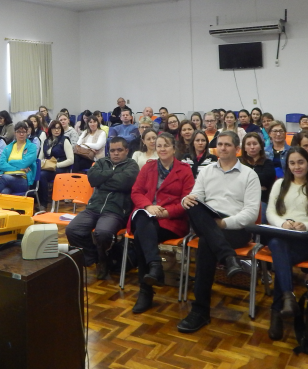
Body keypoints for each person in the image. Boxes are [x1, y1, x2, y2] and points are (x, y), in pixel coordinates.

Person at [177, 131, 260, 333]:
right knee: (192, 204)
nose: (222, 148)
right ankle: (228, 257)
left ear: (237, 149)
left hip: (234, 228)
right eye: (220, 144)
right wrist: (186, 200)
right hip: (209, 220)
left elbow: (251, 214)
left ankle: (200, 311)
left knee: (206, 242)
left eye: (227, 145)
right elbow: (196, 195)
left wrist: (223, 223)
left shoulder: (249, 175)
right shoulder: (207, 171)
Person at [264, 146, 308, 340]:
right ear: (287, 165)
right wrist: (283, 223)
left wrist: (306, 226)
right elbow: (270, 213)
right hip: (284, 236)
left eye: (301, 162)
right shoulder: (279, 185)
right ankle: (287, 299)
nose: (297, 167)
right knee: (277, 245)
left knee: (279, 252)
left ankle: (278, 310)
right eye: (292, 163)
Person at [129, 133, 195, 314]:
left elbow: (187, 201)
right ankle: (155, 266)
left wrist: (166, 212)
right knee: (142, 220)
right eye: (159, 146)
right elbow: (136, 192)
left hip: (171, 221)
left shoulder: (184, 170)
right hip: (148, 214)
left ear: (174, 148)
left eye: (166, 145)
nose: (162, 149)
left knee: (141, 235)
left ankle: (146, 290)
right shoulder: (148, 167)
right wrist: (148, 206)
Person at [65, 137, 140, 280]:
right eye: (112, 150)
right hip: (93, 207)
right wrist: (111, 175)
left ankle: (103, 260)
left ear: (126, 151)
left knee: (103, 233)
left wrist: (102, 180)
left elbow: (124, 183)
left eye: (119, 150)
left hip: (115, 210)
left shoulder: (132, 165)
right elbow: (92, 179)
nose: (115, 153)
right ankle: (97, 257)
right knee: (72, 230)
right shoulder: (101, 162)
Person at [38, 120, 74, 208]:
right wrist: (39, 165)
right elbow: (40, 157)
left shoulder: (64, 140)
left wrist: (56, 165)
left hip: (61, 168)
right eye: (54, 128)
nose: (57, 130)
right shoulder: (46, 141)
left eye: (58, 128)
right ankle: (36, 199)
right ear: (50, 130)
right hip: (48, 167)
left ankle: (44, 203)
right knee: (37, 173)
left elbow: (71, 160)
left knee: (42, 175)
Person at [0, 122, 38, 195]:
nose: (21, 134)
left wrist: (10, 162)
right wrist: (17, 168)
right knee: (4, 192)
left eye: (23, 132)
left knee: (5, 178)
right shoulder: (8, 147)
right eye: (19, 132)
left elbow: (24, 163)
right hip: (8, 179)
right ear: (15, 133)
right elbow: (2, 165)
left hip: (23, 180)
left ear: (27, 133)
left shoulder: (32, 147)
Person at [241, 132, 276, 211]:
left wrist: (246, 181)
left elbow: (267, 180)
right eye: (248, 144)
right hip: (242, 198)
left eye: (255, 144)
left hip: (262, 199)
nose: (252, 147)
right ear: (244, 148)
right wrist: (259, 186)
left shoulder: (268, 163)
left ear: (261, 146)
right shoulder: (239, 162)